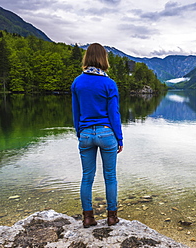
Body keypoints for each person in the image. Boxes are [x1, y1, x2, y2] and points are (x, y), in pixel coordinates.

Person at [71, 43, 123, 228]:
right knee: (110, 176)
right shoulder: (109, 83)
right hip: (107, 133)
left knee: (87, 177)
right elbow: (114, 114)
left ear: (87, 58)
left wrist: (80, 132)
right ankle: (111, 217)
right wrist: (119, 138)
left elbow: (76, 112)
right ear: (103, 59)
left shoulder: (77, 82)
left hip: (85, 134)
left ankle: (88, 218)